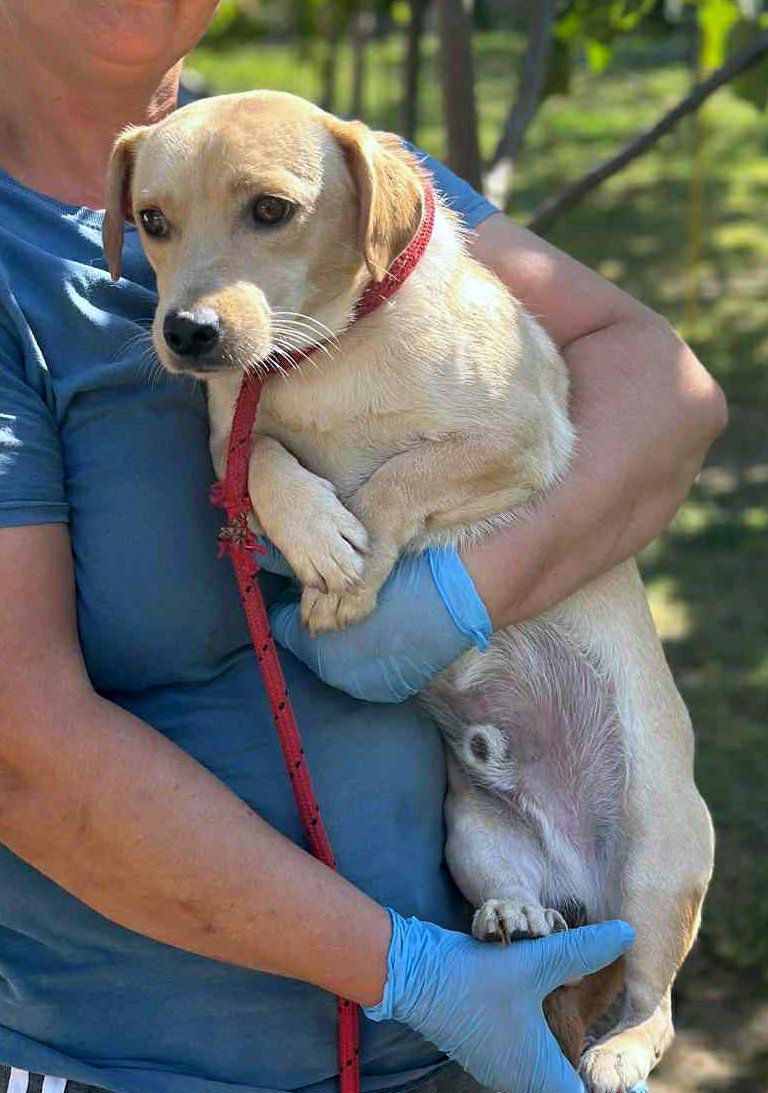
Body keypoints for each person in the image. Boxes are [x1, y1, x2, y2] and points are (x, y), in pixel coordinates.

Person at [0, 4, 726, 1093]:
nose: (198, 267)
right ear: (125, 221)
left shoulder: (332, 159)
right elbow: (21, 750)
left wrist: (463, 592)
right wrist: (412, 972)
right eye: (153, 225)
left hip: (463, 1031)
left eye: (268, 215)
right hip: (150, 1063)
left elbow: (661, 391)